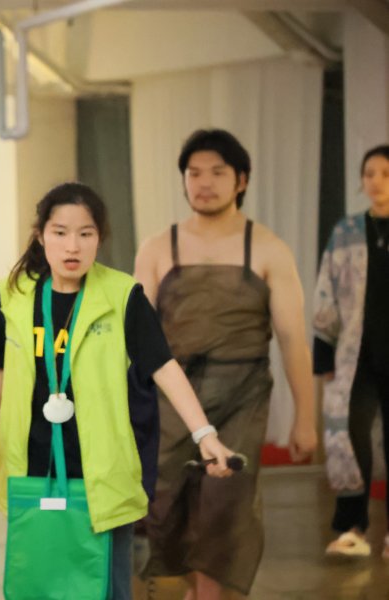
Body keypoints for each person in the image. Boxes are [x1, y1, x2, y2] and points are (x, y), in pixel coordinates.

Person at [0, 182, 235, 599]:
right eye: (60, 232)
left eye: (85, 233)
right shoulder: (15, 296)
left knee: (107, 589)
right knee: (41, 585)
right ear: (40, 236)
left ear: (100, 238)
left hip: (102, 475)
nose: (72, 246)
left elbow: (163, 366)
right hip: (33, 469)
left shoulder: (121, 296)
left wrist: (205, 434)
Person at [135, 129, 318, 598]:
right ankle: (199, 589)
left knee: (225, 508)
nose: (204, 183)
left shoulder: (269, 248)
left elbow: (293, 339)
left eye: (217, 172)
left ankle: (210, 594)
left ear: (241, 180)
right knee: (167, 510)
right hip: (172, 400)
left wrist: (305, 418)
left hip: (243, 396)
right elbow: (134, 340)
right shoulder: (157, 248)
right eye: (194, 173)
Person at [314, 144, 389, 558]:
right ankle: (352, 527)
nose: (376, 181)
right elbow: (325, 287)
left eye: (385, 173)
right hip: (356, 356)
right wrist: (323, 351)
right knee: (349, 436)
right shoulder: (346, 231)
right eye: (369, 173)